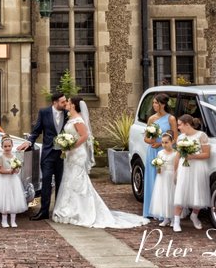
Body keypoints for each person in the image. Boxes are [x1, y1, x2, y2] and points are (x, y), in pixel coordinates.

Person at [52, 97, 149, 229]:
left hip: (77, 153)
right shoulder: (71, 118)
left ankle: (82, 211)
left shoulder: (78, 120)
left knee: (78, 180)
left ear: (73, 105)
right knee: (69, 180)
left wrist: (71, 146)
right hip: (71, 154)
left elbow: (84, 136)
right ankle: (69, 208)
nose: (66, 104)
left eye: (68, 102)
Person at [18, 92, 67, 220]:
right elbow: (37, 130)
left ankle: (59, 210)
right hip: (48, 154)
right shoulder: (44, 112)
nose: (65, 103)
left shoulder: (68, 114)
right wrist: (29, 142)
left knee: (61, 183)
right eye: (63, 102)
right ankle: (44, 211)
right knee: (45, 182)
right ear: (54, 102)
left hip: (62, 156)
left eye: (65, 101)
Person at [173, 114, 211, 232]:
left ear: (187, 124)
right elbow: (178, 155)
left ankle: (194, 216)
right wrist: (175, 171)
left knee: (198, 192)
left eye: (179, 125)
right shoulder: (180, 138)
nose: (178, 127)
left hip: (198, 167)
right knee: (181, 192)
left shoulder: (201, 136)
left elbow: (207, 154)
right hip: (184, 168)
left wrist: (192, 156)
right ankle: (176, 221)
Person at [142, 93, 177, 217]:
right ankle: (152, 210)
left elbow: (175, 139)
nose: (154, 105)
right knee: (152, 178)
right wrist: (152, 141)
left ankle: (164, 212)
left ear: (163, 104)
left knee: (162, 180)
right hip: (152, 152)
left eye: (156, 103)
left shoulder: (171, 119)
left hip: (165, 152)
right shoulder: (151, 118)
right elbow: (145, 138)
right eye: (153, 103)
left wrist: (161, 145)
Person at [0, 135, 26, 228]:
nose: (7, 148)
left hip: (13, 181)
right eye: (5, 146)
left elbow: (18, 169)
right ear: (2, 147)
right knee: (5, 199)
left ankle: (13, 221)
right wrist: (8, 171)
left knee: (14, 198)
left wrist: (16, 170)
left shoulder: (14, 157)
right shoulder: (1, 157)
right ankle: (4, 221)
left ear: (12, 146)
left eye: (9, 146)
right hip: (4, 181)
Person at [148, 131, 178, 226]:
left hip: (171, 175)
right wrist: (158, 167)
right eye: (162, 143)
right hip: (162, 177)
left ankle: (173, 218)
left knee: (172, 196)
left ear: (172, 142)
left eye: (166, 142)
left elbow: (177, 166)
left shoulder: (176, 153)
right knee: (163, 196)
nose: (164, 145)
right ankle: (166, 218)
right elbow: (158, 166)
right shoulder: (160, 153)